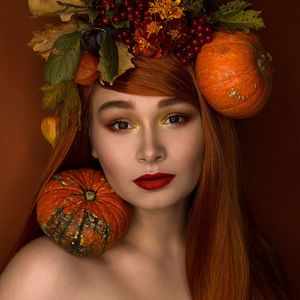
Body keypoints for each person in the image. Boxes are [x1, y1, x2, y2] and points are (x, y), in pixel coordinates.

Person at [0, 0, 291, 299]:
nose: (150, 151)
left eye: (174, 119)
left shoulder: (255, 266)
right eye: (121, 125)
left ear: (209, 131)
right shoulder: (44, 278)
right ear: (91, 139)